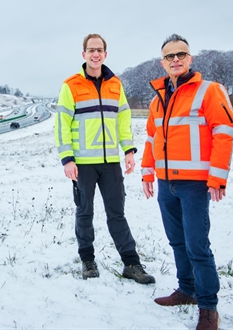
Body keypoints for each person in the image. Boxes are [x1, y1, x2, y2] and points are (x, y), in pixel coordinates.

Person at [141, 34, 233, 330]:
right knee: (177, 241)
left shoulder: (209, 91)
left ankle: (208, 307)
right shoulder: (158, 97)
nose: (175, 60)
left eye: (181, 54)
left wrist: (217, 177)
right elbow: (151, 138)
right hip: (166, 182)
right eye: (170, 56)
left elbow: (226, 130)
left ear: (190, 58)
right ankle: (187, 290)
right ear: (163, 62)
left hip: (195, 184)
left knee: (198, 245)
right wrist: (147, 172)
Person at [54, 33, 155, 285]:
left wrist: (128, 150)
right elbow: (62, 124)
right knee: (84, 213)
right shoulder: (71, 86)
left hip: (110, 163)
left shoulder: (115, 85)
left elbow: (123, 119)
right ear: (84, 54)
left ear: (105, 54)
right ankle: (87, 260)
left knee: (117, 214)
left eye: (99, 50)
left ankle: (131, 264)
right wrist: (67, 159)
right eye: (91, 50)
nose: (95, 54)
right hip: (83, 165)